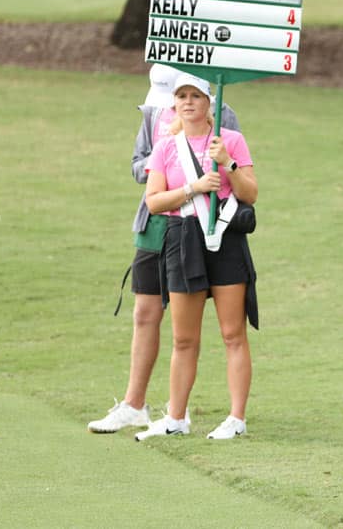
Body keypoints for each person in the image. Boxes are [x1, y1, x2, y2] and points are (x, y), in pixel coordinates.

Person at [87, 64, 240, 434]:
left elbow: (229, 166)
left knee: (190, 323)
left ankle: (178, 409)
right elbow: (138, 167)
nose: (181, 105)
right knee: (145, 311)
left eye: (190, 96)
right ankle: (134, 405)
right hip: (156, 220)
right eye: (176, 99)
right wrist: (164, 154)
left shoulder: (224, 113)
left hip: (198, 225)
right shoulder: (154, 114)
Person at [134, 72, 258, 441]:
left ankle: (236, 418)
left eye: (196, 96)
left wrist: (228, 164)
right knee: (184, 339)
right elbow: (155, 201)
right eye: (182, 97)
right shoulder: (166, 146)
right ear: (174, 104)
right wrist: (193, 188)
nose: (188, 102)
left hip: (224, 239)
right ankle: (175, 417)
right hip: (183, 238)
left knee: (232, 333)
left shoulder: (230, 140)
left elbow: (250, 193)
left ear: (210, 103)